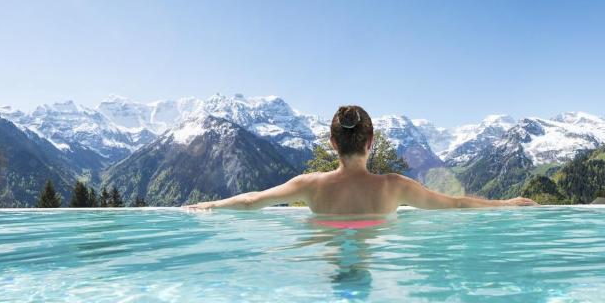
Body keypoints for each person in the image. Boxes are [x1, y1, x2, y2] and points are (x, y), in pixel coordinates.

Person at [188, 105, 538, 214]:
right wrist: (506, 202)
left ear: (332, 142)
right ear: (371, 142)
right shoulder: (395, 187)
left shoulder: (310, 185)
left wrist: (211, 205)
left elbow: (252, 202)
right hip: (377, 268)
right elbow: (457, 205)